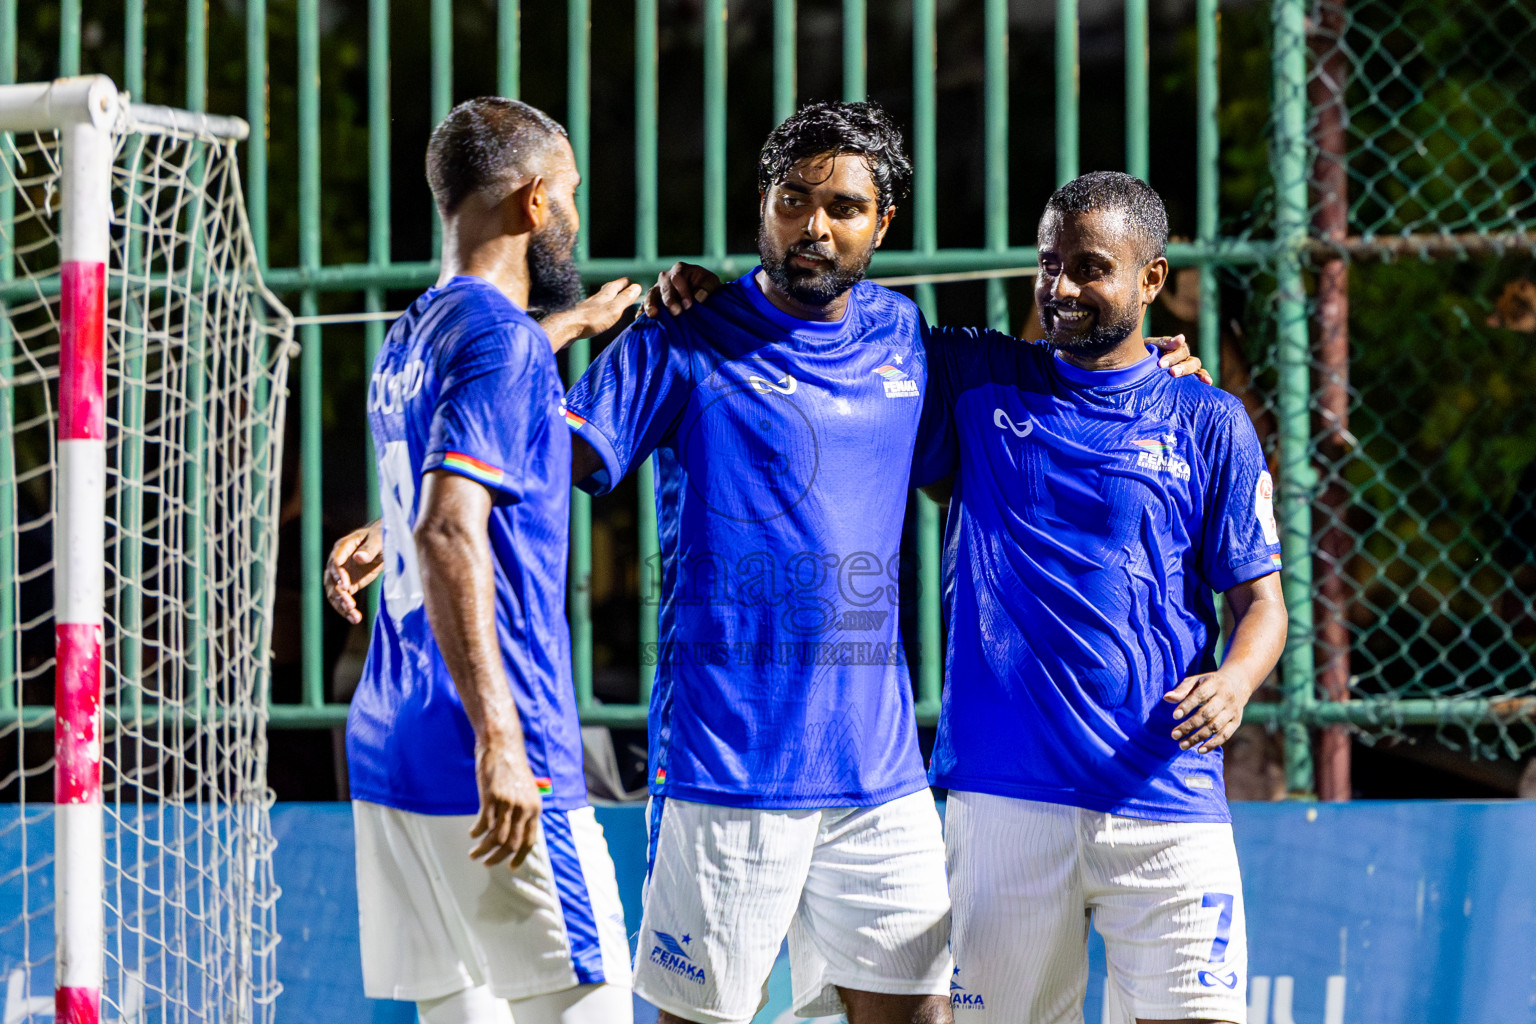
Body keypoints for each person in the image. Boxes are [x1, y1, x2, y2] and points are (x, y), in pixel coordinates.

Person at [625, 106, 1206, 1024]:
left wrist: (1150, 378)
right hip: (729, 764)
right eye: (793, 200)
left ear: (882, 223)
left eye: (844, 206)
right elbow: (544, 461)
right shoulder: (691, 333)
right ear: (763, 206)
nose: (814, 225)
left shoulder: (905, 337)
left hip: (881, 773)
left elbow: (1057, 399)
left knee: (921, 1013)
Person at [914, 171, 1288, 1024]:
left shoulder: (1210, 419)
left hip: (1165, 795)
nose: (1062, 289)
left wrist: (1232, 685)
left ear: (1152, 280)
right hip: (1004, 800)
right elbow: (835, 322)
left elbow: (1263, 604)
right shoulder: (981, 379)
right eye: (1049, 266)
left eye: (1090, 268)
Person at [324, 97, 642, 1024]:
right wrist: (503, 743)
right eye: (571, 194)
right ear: (535, 200)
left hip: (391, 742)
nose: (576, 215)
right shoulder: (501, 343)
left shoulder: (414, 334)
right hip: (494, 749)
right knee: (589, 1006)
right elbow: (449, 528)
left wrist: (571, 324)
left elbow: (469, 422)